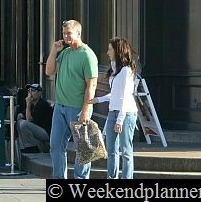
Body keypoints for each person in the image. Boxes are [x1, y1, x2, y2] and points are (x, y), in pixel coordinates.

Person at [46, 19, 98, 179]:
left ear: (78, 33)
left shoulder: (87, 55)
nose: (66, 36)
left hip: (77, 108)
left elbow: (92, 85)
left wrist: (85, 110)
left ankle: (81, 180)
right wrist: (54, 51)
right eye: (64, 33)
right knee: (55, 146)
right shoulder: (65, 53)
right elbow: (49, 71)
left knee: (82, 148)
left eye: (69, 33)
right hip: (60, 107)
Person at [89, 37, 139, 179]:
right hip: (113, 112)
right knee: (111, 149)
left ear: (117, 51)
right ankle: (112, 177)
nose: (107, 52)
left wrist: (120, 121)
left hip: (126, 113)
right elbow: (115, 94)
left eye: (110, 49)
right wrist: (98, 99)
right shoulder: (115, 70)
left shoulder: (126, 71)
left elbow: (124, 96)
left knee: (126, 150)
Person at [16, 83, 53, 153]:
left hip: (46, 133)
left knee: (24, 124)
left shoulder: (42, 104)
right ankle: (24, 146)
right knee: (19, 121)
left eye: (33, 91)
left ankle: (32, 147)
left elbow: (29, 119)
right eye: (29, 91)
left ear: (39, 93)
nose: (30, 93)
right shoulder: (33, 103)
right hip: (38, 129)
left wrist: (28, 104)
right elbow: (22, 115)